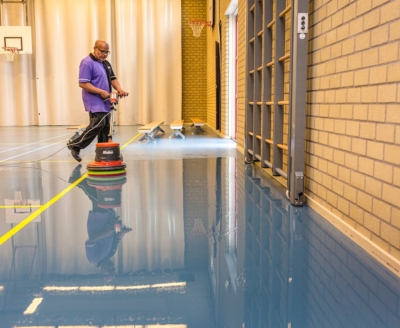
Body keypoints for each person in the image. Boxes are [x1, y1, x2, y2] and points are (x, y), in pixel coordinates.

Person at [67, 40, 129, 162]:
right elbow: (83, 83)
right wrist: (100, 91)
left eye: (107, 52)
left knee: (105, 127)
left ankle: (102, 153)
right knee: (98, 124)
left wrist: (120, 89)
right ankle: (75, 144)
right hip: (94, 100)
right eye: (102, 51)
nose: (104, 54)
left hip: (105, 100)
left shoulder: (105, 63)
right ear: (95, 48)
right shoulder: (87, 63)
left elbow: (113, 78)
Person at [69, 164, 132, 282]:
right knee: (98, 197)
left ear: (102, 271)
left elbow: (90, 242)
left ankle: (77, 181)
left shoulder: (94, 259)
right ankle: (78, 180)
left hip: (98, 222)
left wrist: (106, 232)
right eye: (113, 268)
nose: (111, 266)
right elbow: (116, 239)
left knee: (97, 198)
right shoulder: (110, 254)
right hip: (108, 219)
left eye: (109, 270)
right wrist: (123, 233)